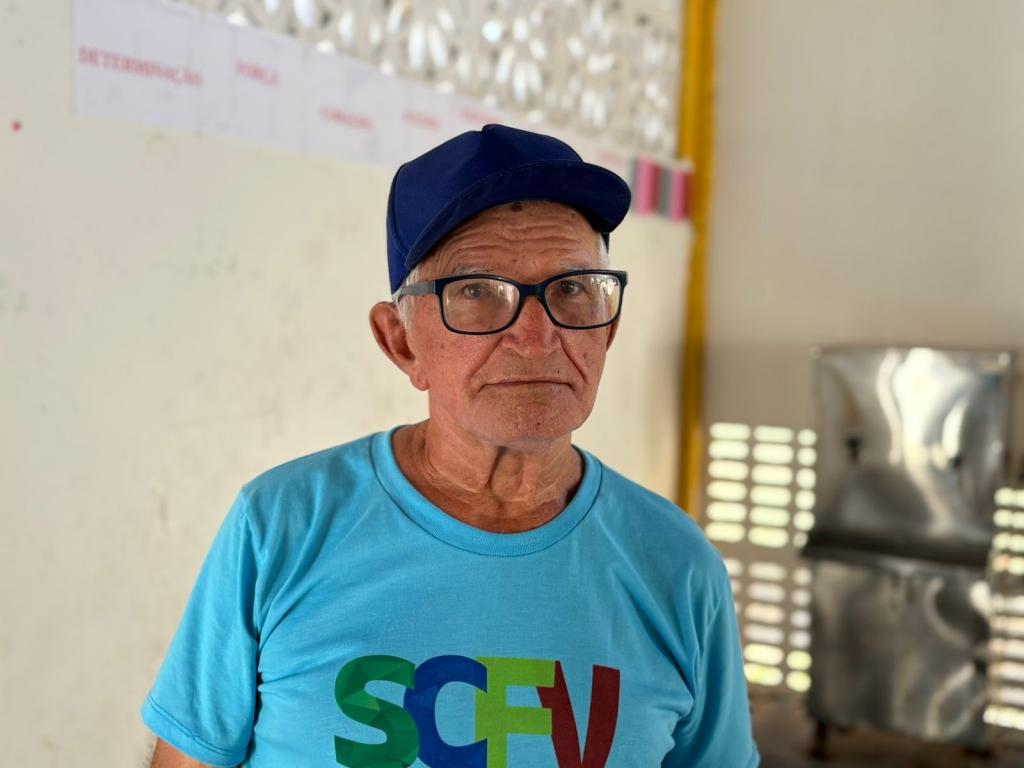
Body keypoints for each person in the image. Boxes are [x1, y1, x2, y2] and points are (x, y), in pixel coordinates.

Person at [141, 123, 760, 767]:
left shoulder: (676, 567)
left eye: (572, 289)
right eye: (476, 292)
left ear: (608, 330)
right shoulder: (281, 527)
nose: (536, 337)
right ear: (400, 342)